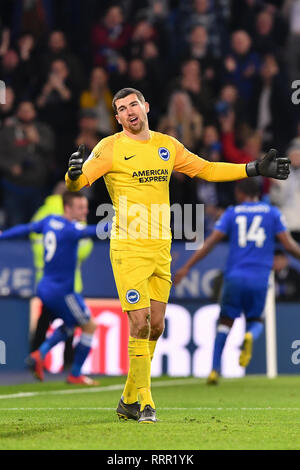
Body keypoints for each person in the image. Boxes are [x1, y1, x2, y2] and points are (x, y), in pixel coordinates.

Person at [65, 87, 289, 423]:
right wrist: (71, 175)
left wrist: (254, 168)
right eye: (122, 109)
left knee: (156, 326)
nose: (129, 112)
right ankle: (146, 403)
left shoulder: (167, 146)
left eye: (133, 105)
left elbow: (207, 169)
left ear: (146, 106)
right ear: (117, 117)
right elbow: (78, 183)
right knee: (138, 325)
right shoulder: (109, 147)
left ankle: (127, 398)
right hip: (128, 248)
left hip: (161, 249)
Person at [174, 179, 300, 384]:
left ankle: (214, 369)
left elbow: (210, 243)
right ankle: (249, 335)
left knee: (225, 322)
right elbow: (288, 244)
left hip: (234, 276)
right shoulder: (272, 213)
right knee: (256, 320)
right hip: (260, 277)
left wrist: (187, 267)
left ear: (240, 193)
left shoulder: (232, 213)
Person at [0, 191, 98, 385]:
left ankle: (41, 354)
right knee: (89, 326)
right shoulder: (71, 229)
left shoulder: (49, 221)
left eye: (86, 207)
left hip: (46, 285)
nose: (85, 211)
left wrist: (3, 236)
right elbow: (95, 231)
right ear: (68, 208)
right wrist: (124, 226)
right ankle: (75, 373)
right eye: (80, 208)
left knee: (71, 325)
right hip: (63, 291)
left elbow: (25, 229)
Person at [30, 182, 94, 368]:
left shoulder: (44, 213)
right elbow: (84, 248)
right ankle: (69, 365)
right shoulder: (74, 213)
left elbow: (32, 236)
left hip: (45, 279)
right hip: (69, 281)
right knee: (73, 321)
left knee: (43, 321)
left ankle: (34, 357)